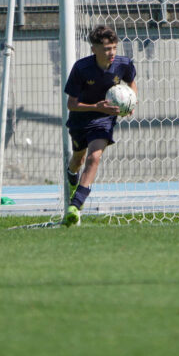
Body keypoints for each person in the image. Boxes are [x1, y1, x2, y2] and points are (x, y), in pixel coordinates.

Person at [62, 25, 137, 226]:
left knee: (94, 157)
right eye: (106, 49)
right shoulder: (81, 68)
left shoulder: (124, 64)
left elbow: (131, 82)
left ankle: (75, 205)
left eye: (114, 48)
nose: (111, 53)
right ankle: (71, 175)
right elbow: (71, 104)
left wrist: (130, 102)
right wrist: (96, 106)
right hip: (81, 118)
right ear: (94, 49)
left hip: (104, 119)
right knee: (78, 159)